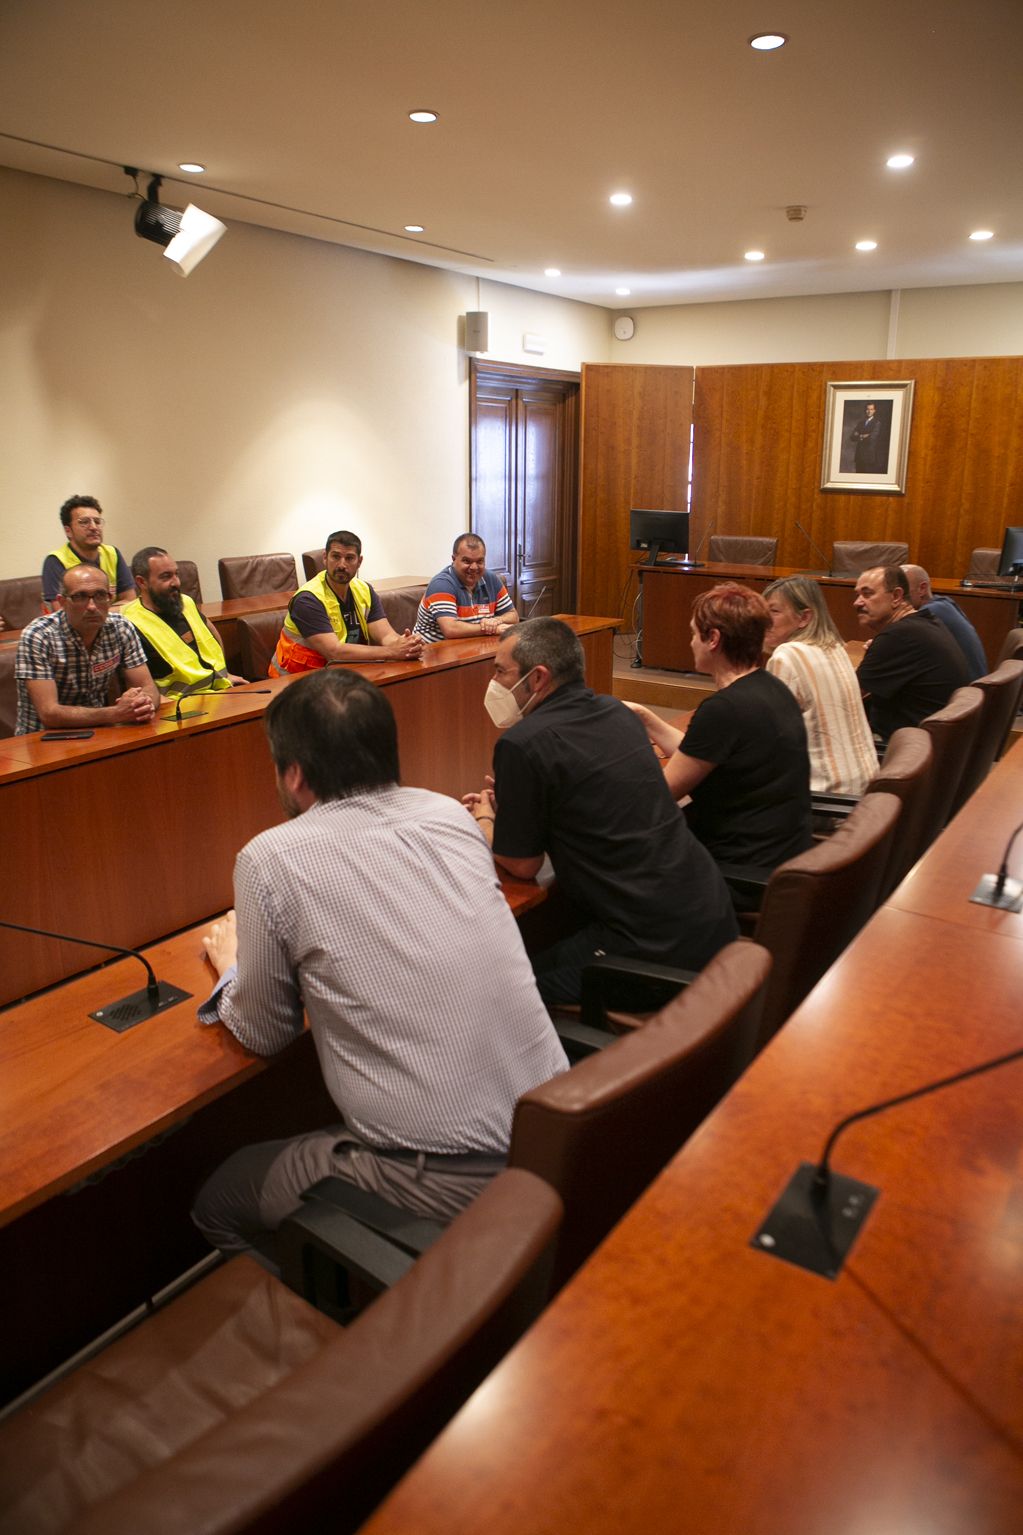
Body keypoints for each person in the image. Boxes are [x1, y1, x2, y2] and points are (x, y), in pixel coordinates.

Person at [192, 668, 567, 1270]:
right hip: (558, 1133)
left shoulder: (270, 858)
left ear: (293, 773)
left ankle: (376, 1341)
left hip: (450, 1174)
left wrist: (232, 967)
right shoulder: (447, 814)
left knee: (218, 1199)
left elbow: (264, 1034)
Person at [462, 617, 738, 1005]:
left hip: (653, 946)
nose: (494, 683)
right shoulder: (616, 711)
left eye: (501, 672)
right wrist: (521, 800)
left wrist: (487, 818)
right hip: (708, 909)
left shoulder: (523, 743)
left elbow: (521, 864)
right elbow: (584, 796)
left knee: (506, 998)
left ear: (537, 678)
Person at [627, 584, 813, 879]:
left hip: (739, 871)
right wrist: (646, 718)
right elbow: (699, 753)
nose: (691, 643)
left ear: (713, 638)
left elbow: (658, 796)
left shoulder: (724, 709)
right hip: (779, 855)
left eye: (693, 633)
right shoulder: (771, 688)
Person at [762, 575, 878, 795]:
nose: (763, 620)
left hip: (826, 798)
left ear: (804, 617)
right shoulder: (836, 647)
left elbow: (771, 740)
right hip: (862, 789)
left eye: (774, 612)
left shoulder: (787, 655)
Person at [14, 563, 159, 734]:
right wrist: (116, 713)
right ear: (62, 602)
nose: (91, 606)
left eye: (99, 595)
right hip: (43, 739)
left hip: (98, 733)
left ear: (109, 598)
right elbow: (49, 713)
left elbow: (148, 687)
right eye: (80, 597)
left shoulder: (121, 628)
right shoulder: (38, 636)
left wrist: (142, 703)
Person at [271, 529, 424, 673]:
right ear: (325, 558)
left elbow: (385, 636)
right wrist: (392, 652)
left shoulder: (364, 590)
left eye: (349, 558)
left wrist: (406, 645)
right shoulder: (308, 599)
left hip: (339, 674)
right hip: (294, 680)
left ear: (359, 562)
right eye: (336, 557)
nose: (342, 565)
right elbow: (334, 652)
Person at [854, 566, 971, 742]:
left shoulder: (899, 636)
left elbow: (848, 696)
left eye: (867, 594)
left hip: (908, 751)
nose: (857, 602)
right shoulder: (924, 622)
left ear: (896, 596)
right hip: (935, 745)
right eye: (857, 594)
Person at [122, 546, 245, 698]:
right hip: (179, 706)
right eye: (166, 577)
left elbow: (212, 634)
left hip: (219, 692)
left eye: (176, 574)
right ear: (142, 582)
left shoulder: (185, 602)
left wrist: (225, 674)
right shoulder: (129, 622)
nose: (176, 583)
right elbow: (138, 685)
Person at [414, 533, 519, 643]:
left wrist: (496, 621)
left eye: (479, 561)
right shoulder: (441, 584)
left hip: (473, 649)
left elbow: (513, 616)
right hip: (432, 654)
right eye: (467, 561)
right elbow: (451, 629)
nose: (474, 567)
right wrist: (491, 629)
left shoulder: (491, 579)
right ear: (454, 559)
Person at [41, 495, 134, 611]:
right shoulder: (55, 561)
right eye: (84, 522)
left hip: (113, 626)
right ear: (68, 531)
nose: (94, 527)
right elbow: (61, 612)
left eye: (97, 521)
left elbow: (130, 602)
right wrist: (110, 610)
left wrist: (96, 612)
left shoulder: (112, 553)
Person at [903, 563, 987, 679]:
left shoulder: (929, 614)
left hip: (964, 692)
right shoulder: (943, 604)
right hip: (972, 691)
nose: (896, 597)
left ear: (922, 589)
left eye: (902, 590)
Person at [849, 402, 885, 473]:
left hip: (869, 457)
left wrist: (859, 435)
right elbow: (852, 437)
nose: (869, 411)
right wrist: (863, 436)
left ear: (874, 411)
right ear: (865, 410)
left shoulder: (877, 423)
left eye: (871, 409)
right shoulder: (860, 423)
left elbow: (872, 438)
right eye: (867, 409)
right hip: (859, 456)